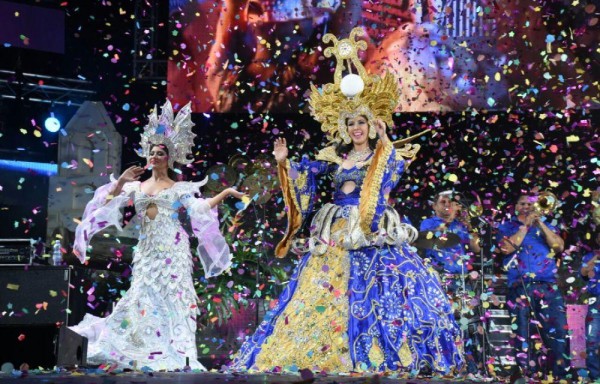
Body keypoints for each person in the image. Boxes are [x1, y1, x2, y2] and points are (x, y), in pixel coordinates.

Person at [230, 28, 464, 374]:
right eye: (351, 122)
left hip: (371, 227)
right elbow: (303, 176)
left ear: (371, 125)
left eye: (363, 122)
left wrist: (386, 143)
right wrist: (283, 161)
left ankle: (381, 350)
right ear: (344, 127)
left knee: (377, 290)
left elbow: (393, 174)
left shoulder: (383, 155)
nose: (357, 128)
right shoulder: (335, 159)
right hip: (336, 231)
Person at [69, 100, 245, 371]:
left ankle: (174, 351)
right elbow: (106, 204)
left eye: (160, 152)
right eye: (151, 152)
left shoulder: (179, 188)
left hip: (174, 253)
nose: (154, 156)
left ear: (169, 157)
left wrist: (225, 193)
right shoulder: (136, 186)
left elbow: (199, 208)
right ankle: (144, 350)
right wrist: (121, 181)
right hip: (148, 252)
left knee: (173, 297)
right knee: (141, 297)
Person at [497, 192, 569, 379]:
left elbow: (558, 247)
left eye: (531, 204)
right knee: (523, 333)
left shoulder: (547, 225)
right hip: (520, 287)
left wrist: (541, 224)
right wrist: (525, 226)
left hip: (548, 286)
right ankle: (526, 374)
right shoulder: (506, 226)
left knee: (558, 330)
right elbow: (507, 248)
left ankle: (559, 375)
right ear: (516, 207)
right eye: (522, 204)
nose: (527, 207)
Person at [419, 191, 481, 373]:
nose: (447, 206)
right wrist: (444, 225)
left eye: (451, 203)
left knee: (467, 323)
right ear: (435, 206)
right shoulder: (429, 223)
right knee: (440, 322)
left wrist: (469, 226)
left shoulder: (461, 225)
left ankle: (470, 365)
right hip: (438, 280)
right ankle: (439, 363)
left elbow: (476, 248)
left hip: (462, 280)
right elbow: (423, 239)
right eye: (443, 202)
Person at [580, 230, 600, 382]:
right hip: (596, 301)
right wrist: (596, 257)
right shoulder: (589, 256)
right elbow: (584, 272)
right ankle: (595, 376)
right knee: (592, 340)